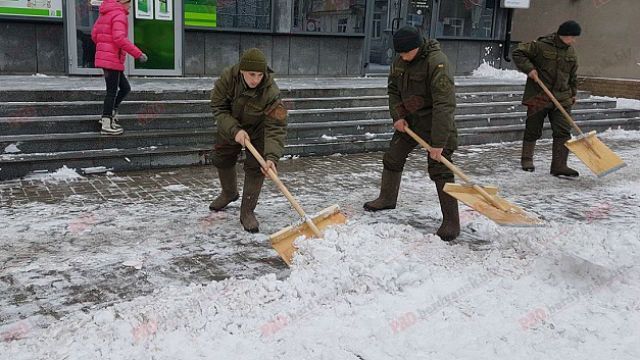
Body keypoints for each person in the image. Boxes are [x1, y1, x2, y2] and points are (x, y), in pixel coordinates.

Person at [363, 26, 460, 242]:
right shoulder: (400, 61)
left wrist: (438, 142)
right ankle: (387, 198)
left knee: (440, 169)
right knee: (392, 158)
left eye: (406, 52)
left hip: (435, 124)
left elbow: (444, 105)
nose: (402, 57)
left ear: (417, 46)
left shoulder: (437, 63)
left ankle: (451, 222)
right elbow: (393, 90)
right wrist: (397, 116)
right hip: (410, 122)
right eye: (400, 53)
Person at [209, 48, 288, 233]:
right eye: (251, 74)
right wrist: (234, 130)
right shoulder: (228, 79)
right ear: (242, 71)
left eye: (260, 75)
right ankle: (229, 193)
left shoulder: (271, 92)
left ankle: (247, 212)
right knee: (222, 158)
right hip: (231, 124)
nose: (256, 79)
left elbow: (276, 126)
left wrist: (272, 157)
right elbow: (218, 107)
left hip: (258, 130)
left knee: (256, 168)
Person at [512, 20, 581, 177]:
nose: (574, 40)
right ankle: (527, 159)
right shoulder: (541, 45)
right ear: (565, 35)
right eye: (572, 37)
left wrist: (573, 93)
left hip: (562, 97)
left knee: (563, 130)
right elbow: (518, 52)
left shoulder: (571, 52)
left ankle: (559, 166)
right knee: (533, 128)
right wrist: (529, 69)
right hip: (539, 94)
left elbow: (573, 75)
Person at [91, 0, 148, 136]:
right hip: (112, 59)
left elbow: (94, 35)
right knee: (112, 92)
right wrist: (138, 54)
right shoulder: (119, 14)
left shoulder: (104, 13)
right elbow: (119, 38)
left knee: (125, 88)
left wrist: (104, 46)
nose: (130, 6)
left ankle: (110, 114)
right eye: (129, 3)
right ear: (123, 2)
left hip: (107, 58)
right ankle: (106, 123)